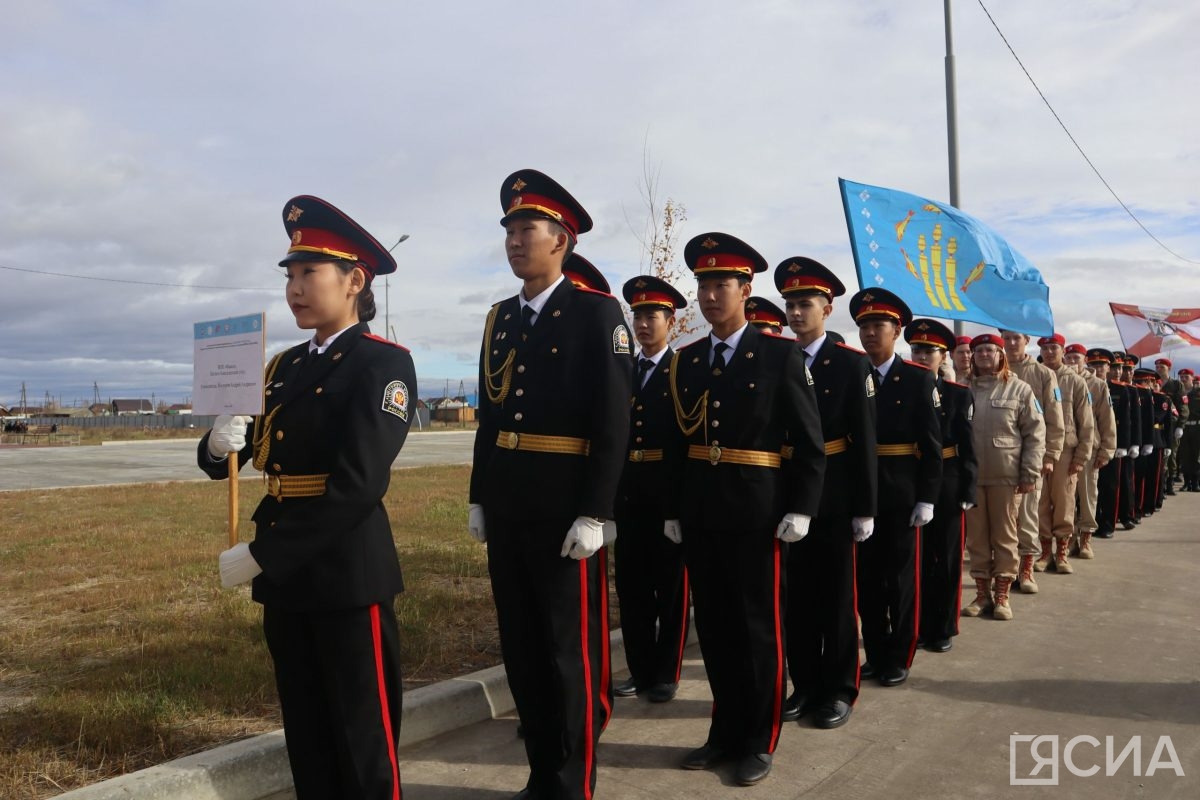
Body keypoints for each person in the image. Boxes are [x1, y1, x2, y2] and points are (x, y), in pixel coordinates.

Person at [198, 195, 417, 799]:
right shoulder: (280, 368)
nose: (295, 288)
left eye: (309, 273)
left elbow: (358, 486)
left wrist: (266, 554)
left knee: (361, 736)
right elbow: (230, 459)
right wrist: (220, 446)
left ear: (354, 281)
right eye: (290, 274)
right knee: (308, 733)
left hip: (347, 575)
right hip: (290, 581)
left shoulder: (381, 366)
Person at [467, 169, 632, 800]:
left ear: (560, 238)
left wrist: (596, 512)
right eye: (508, 228)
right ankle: (541, 774)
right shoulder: (500, 320)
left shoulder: (596, 313)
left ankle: (571, 784)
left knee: (570, 654)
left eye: (525, 228)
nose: (514, 239)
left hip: (566, 512)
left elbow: (613, 422)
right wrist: (479, 496)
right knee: (523, 649)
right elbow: (491, 415)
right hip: (510, 507)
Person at [664, 232, 824, 787]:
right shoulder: (686, 361)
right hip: (703, 512)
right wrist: (675, 507)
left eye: (720, 285)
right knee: (714, 628)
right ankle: (723, 732)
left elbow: (808, 441)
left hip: (758, 512)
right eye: (703, 285)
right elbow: (676, 444)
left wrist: (802, 507)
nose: (709, 295)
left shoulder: (779, 355)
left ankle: (758, 740)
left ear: (745, 288)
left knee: (757, 630)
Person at [775, 256, 877, 730]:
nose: (796, 313)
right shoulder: (777, 357)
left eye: (806, 304)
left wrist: (865, 507)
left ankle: (839, 688)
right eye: (791, 304)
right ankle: (806, 684)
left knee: (835, 598)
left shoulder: (849, 365)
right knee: (795, 599)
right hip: (786, 489)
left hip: (835, 495)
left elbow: (865, 442)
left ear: (827, 308)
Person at [850, 288, 942, 687]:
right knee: (867, 580)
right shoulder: (852, 372)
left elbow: (933, 445)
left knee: (901, 579)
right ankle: (875, 652)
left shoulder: (917, 379)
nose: (870, 333)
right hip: (860, 491)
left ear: (896, 330)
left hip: (902, 491)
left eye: (878, 326)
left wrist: (927, 497)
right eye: (864, 326)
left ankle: (900, 654)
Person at [612, 275, 691, 704]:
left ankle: (666, 671)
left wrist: (679, 505)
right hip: (629, 492)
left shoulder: (683, 369)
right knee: (632, 586)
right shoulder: (623, 370)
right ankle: (639, 670)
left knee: (671, 588)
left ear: (671, 322)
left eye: (652, 316)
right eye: (638, 316)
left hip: (665, 493)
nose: (643, 324)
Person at [961, 334, 1046, 620]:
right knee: (976, 539)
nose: (984, 354)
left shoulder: (1019, 390)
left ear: (1001, 355)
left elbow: (1035, 435)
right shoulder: (962, 390)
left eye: (990, 350)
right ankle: (982, 594)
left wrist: (1030, 472)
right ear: (972, 357)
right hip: (971, 478)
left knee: (1005, 537)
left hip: (1006, 477)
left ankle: (1002, 595)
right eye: (979, 350)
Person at [906, 319, 977, 653]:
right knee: (914, 561)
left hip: (948, 481)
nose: (921, 357)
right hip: (909, 480)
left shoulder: (957, 394)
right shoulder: (898, 388)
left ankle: (943, 626)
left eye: (929, 351)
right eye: (917, 350)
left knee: (946, 559)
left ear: (943, 356)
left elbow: (968, 447)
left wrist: (968, 488)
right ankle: (917, 625)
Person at [999, 330, 1064, 595]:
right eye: (1007, 338)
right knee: (1002, 520)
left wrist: (1050, 456)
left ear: (1026, 340)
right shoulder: (993, 368)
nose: (1012, 343)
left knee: (1027, 517)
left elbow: (1054, 419)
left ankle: (1025, 569)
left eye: (1017, 338)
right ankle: (1004, 571)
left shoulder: (1043, 374)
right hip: (999, 459)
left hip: (1030, 458)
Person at [1034, 334, 1095, 575]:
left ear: (1062, 350)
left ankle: (1062, 552)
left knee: (1065, 502)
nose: (1050, 352)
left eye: (1054, 348)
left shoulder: (1076, 382)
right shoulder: (1035, 376)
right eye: (1045, 348)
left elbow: (1087, 424)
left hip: (1067, 452)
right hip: (1038, 449)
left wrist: (1081, 457)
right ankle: (1045, 551)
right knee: (1040, 503)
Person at [1065, 343, 1115, 559]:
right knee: (1066, 498)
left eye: (1077, 358)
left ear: (1084, 360)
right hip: (1065, 448)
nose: (1073, 362)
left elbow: (1107, 419)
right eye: (1069, 358)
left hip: (1090, 448)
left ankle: (1086, 537)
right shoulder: (1061, 381)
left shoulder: (1098, 385)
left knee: (1087, 496)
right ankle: (1068, 538)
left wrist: (1107, 450)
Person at [1089, 349, 1131, 539]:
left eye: (1101, 365)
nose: (1098, 368)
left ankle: (1107, 523)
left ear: (1108, 367)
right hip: (1089, 443)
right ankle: (1091, 522)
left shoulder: (1121, 390)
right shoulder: (1084, 386)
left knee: (1109, 485)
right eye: (1094, 365)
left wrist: (1125, 444)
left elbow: (1128, 420)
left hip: (1111, 444)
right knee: (1091, 487)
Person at [1178, 369, 1200, 491]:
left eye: (1186, 376)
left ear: (1192, 378)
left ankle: (1196, 483)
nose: (1183, 379)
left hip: (1197, 427)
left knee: (1196, 456)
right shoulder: (1180, 393)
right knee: (1185, 456)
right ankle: (1186, 483)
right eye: (1181, 376)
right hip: (1184, 428)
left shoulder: (1198, 392)